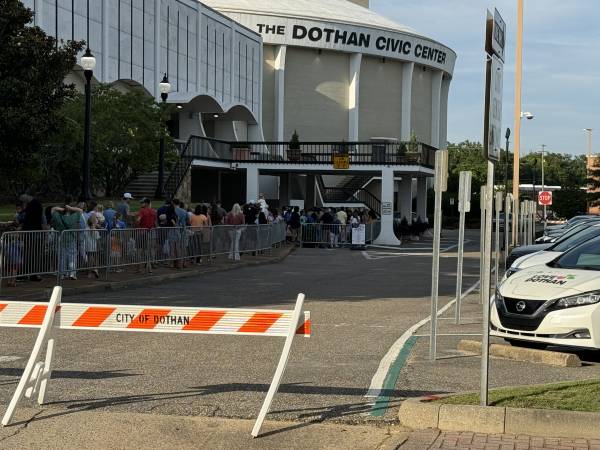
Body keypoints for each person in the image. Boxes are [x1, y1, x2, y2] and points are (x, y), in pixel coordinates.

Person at [51, 200, 84, 280]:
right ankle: (72, 273)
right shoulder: (75, 216)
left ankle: (62, 274)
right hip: (71, 238)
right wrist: (71, 208)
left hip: (61, 238)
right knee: (72, 256)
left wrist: (62, 209)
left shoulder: (58, 216)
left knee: (62, 257)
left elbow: (53, 209)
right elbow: (81, 210)